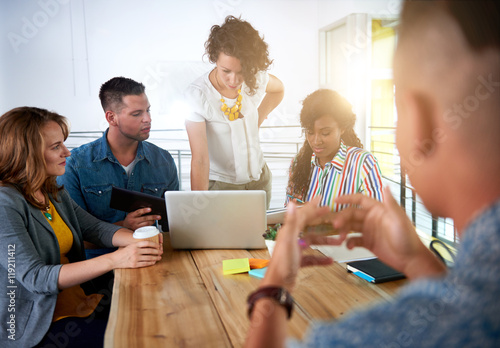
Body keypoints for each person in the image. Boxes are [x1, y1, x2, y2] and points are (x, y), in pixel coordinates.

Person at [245, 0, 500, 347]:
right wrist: (416, 259)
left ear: (420, 121)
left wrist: (275, 280)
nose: (316, 140)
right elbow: (456, 309)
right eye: (311, 132)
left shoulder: (376, 336)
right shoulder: (475, 298)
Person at [0, 107, 163, 348]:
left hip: (79, 301)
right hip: (39, 325)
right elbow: (34, 278)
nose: (67, 152)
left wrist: (136, 239)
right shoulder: (5, 204)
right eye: (56, 147)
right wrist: (117, 259)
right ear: (27, 153)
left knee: (152, 317)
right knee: (136, 339)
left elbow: (95, 228)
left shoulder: (51, 191)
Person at [58, 77, 179, 255]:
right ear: (111, 117)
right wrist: (124, 227)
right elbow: (73, 239)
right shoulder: (75, 165)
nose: (148, 119)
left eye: (148, 110)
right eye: (137, 114)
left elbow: (174, 224)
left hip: (153, 262)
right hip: (99, 273)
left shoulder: (164, 160)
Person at [185, 15, 284, 209]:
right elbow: (200, 159)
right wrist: (198, 213)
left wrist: (258, 120)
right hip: (222, 187)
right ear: (215, 59)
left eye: (242, 72)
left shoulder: (257, 78)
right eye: (226, 71)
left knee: (258, 238)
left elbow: (279, 89)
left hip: (260, 181)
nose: (234, 80)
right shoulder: (196, 95)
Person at [286, 89, 383, 210]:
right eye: (310, 132)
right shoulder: (297, 164)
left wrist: (321, 219)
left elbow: (375, 219)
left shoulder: (363, 163)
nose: (316, 141)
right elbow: (286, 213)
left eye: (325, 133)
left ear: (342, 128)